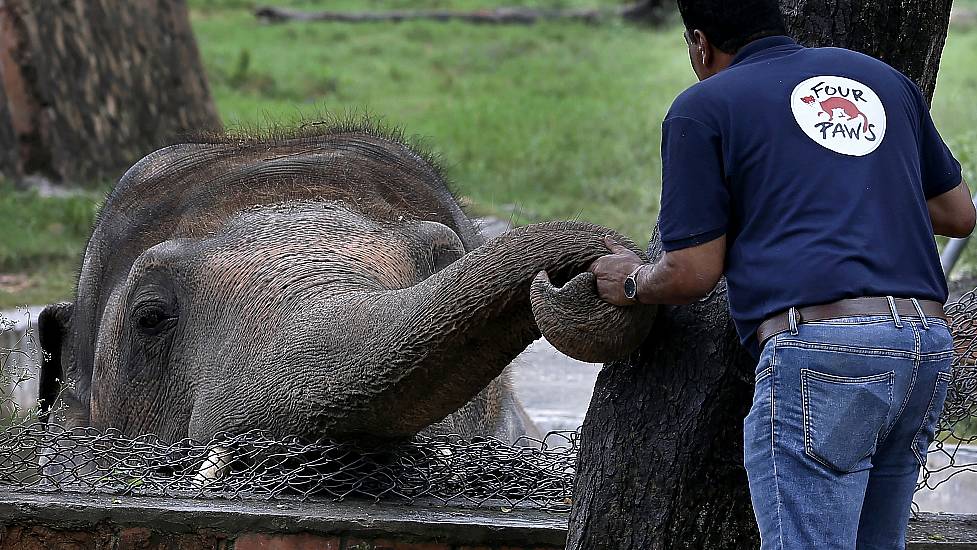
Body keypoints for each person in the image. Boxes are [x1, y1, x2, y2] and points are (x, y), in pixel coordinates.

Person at [587, 0, 976, 548]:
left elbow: (692, 273)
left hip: (825, 354)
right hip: (924, 346)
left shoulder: (702, 109)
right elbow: (959, 215)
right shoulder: (882, 80)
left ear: (700, 43)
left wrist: (630, 280)